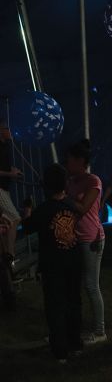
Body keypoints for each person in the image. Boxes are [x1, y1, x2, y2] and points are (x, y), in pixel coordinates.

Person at [23, 164, 82, 363]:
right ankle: (75, 344)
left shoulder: (43, 210)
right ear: (65, 185)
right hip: (73, 261)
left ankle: (60, 351)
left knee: (55, 306)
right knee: (74, 302)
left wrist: (27, 209)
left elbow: (28, 227)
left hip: (53, 266)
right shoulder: (71, 205)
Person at [66, 140, 107, 345]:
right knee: (77, 285)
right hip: (74, 238)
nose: (67, 163)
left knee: (91, 285)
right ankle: (77, 326)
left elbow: (82, 208)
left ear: (81, 161)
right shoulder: (70, 181)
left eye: (70, 160)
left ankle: (100, 331)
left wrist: (62, 197)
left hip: (91, 238)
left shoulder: (93, 181)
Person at [0, 120, 22, 310]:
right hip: (0, 189)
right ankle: (10, 254)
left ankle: (7, 254)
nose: (10, 131)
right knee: (14, 218)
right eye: (7, 128)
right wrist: (10, 174)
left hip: (4, 189)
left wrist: (12, 172)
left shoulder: (7, 146)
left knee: (8, 221)